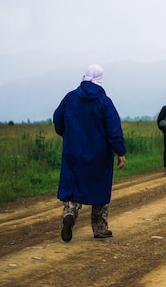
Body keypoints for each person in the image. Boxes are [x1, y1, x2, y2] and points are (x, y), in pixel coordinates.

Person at [53, 64, 126, 242]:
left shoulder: (70, 97)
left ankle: (70, 212)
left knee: (74, 184)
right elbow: (113, 129)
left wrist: (66, 134)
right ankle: (100, 227)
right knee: (99, 188)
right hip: (99, 155)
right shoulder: (104, 102)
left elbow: (57, 119)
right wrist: (120, 151)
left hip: (73, 151)